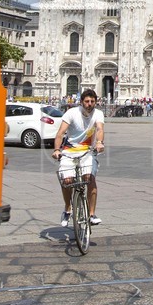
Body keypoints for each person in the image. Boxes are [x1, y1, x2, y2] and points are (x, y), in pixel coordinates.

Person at [53, 87, 106, 226]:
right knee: (67, 180)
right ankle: (67, 208)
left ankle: (92, 214)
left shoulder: (98, 114)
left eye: (92, 101)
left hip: (87, 151)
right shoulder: (71, 113)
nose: (89, 104)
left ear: (96, 102)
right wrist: (57, 150)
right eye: (87, 101)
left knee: (90, 178)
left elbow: (100, 129)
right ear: (81, 101)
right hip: (69, 151)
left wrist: (99, 142)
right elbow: (60, 133)